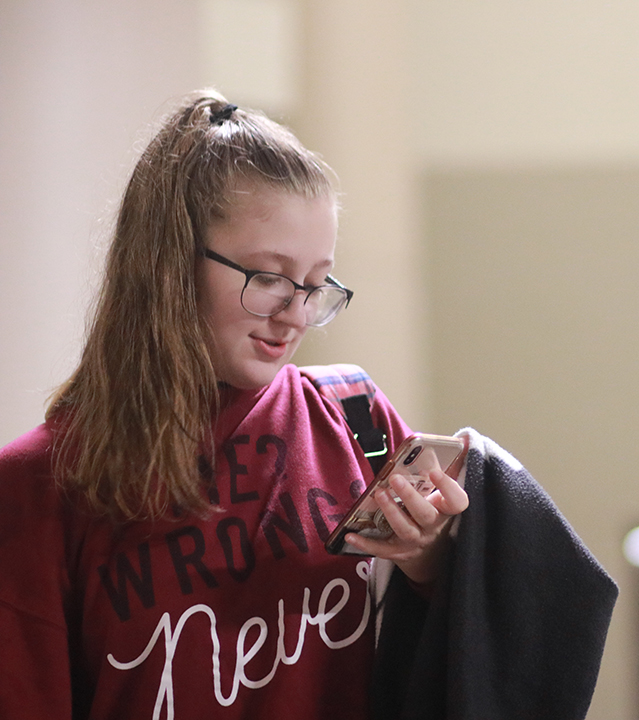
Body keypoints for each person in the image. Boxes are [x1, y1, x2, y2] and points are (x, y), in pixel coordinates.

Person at [0, 90, 469, 720]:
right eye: (269, 277)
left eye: (315, 284)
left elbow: (447, 660)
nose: (296, 315)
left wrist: (433, 563)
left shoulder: (358, 420)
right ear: (169, 263)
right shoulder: (36, 484)